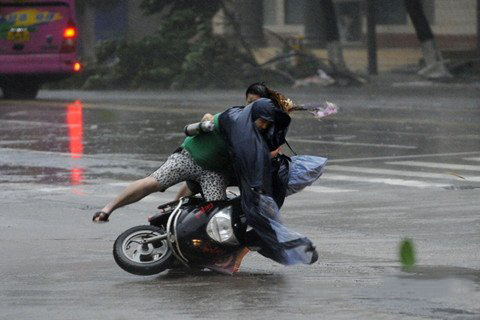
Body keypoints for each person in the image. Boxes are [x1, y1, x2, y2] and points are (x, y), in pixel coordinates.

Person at [92, 83, 292, 223]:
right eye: (249, 102)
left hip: (215, 173)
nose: (251, 108)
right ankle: (108, 208)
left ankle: (187, 238)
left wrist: (270, 156)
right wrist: (206, 120)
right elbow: (202, 123)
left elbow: (255, 158)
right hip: (189, 157)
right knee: (153, 182)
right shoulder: (231, 116)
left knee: (216, 214)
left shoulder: (264, 131)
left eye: (256, 104)